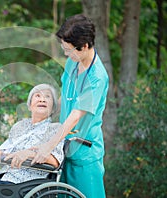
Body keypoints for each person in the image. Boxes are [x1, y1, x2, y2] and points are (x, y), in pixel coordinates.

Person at [6, 14, 109, 197]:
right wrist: (40, 119)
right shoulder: (73, 62)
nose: (66, 54)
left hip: (85, 153)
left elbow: (76, 115)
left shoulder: (96, 78)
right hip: (64, 147)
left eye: (69, 50)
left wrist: (48, 145)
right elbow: (65, 97)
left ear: (84, 46)